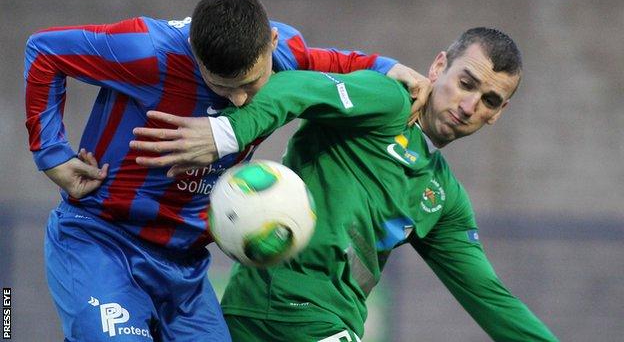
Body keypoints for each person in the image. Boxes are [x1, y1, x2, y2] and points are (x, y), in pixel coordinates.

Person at [23, 0, 431, 340]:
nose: (238, 101)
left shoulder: (287, 51)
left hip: (185, 267)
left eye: (250, 84)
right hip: (104, 240)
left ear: (271, 42)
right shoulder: (147, 50)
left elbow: (336, 62)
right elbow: (44, 51)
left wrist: (387, 68)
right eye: (221, 86)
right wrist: (52, 154)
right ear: (194, 53)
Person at [131, 28, 558, 341]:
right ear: (439, 66)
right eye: (466, 83)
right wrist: (228, 132)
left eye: (489, 101)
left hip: (323, 325)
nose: (468, 106)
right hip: (279, 307)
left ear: (498, 113)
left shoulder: (442, 199)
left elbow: (490, 297)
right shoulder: (388, 101)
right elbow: (295, 87)